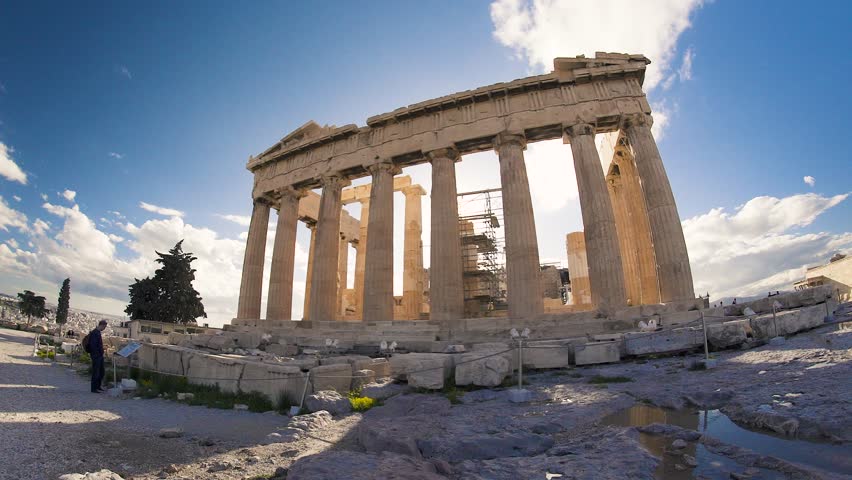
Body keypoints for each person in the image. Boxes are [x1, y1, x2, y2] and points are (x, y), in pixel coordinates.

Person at [88, 320, 108, 393]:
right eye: (104, 327)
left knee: (101, 372)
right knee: (96, 372)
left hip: (99, 355)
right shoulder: (94, 333)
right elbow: (93, 345)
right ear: (101, 325)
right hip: (96, 355)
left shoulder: (98, 333)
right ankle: (94, 388)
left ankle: (98, 386)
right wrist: (98, 353)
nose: (104, 328)